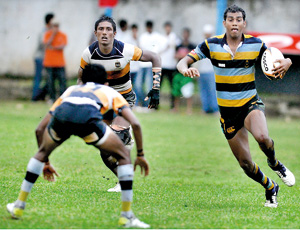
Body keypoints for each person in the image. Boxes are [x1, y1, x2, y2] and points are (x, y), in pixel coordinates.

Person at [177, 4, 295, 207]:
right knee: (246, 164)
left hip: (250, 103)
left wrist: (288, 63)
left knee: (262, 137)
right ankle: (270, 186)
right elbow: (183, 61)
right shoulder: (211, 44)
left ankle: (275, 163)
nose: (234, 23)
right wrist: (184, 69)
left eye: (238, 19)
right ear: (224, 23)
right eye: (230, 19)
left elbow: (278, 59)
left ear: (244, 23)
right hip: (227, 113)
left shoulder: (256, 44)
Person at [7, 64, 150, 228]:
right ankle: (127, 216)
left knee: (41, 153)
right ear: (106, 82)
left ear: (82, 80)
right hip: (88, 119)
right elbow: (136, 124)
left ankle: (19, 206)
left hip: (63, 118)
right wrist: (140, 154)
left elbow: (39, 129)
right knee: (124, 156)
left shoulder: (71, 90)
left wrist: (45, 160)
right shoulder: (109, 91)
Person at [77, 16, 161, 192]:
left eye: (109, 29)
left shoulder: (125, 50)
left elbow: (154, 57)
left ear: (115, 33)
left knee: (116, 135)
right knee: (103, 148)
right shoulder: (89, 54)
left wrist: (156, 87)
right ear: (96, 33)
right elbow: (81, 79)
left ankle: (125, 135)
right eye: (101, 29)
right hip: (103, 103)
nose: (105, 33)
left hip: (124, 100)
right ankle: (122, 180)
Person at [136, 20, 163, 108]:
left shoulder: (157, 36)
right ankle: (144, 103)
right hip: (142, 64)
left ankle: (148, 105)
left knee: (148, 87)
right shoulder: (143, 36)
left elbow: (162, 46)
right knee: (138, 85)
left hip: (151, 65)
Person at [43, 18, 68, 103]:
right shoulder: (47, 34)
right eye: (54, 26)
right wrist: (53, 35)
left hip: (60, 63)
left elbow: (62, 46)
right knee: (50, 83)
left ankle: (63, 98)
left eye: (57, 26)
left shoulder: (63, 35)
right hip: (49, 63)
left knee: (62, 82)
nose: (56, 28)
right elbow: (46, 44)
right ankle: (52, 98)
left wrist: (53, 47)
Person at [172, 27, 196, 114]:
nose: (185, 35)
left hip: (188, 71)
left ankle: (189, 109)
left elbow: (192, 57)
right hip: (178, 71)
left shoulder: (192, 46)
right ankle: (176, 108)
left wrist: (182, 56)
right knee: (176, 90)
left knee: (188, 90)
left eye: (187, 33)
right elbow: (175, 56)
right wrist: (184, 56)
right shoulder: (178, 46)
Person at [32, 13, 54, 101]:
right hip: (40, 57)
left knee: (48, 78)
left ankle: (41, 96)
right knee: (38, 78)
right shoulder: (44, 32)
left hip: (46, 58)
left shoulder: (49, 31)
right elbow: (43, 44)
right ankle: (35, 97)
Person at [197, 24, 218, 114]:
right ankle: (205, 108)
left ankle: (214, 109)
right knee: (203, 91)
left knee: (212, 90)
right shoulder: (200, 45)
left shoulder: (215, 45)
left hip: (211, 71)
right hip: (201, 71)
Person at [160, 22, 179, 110]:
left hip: (171, 65)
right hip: (163, 65)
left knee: (172, 86)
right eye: (166, 27)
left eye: (169, 27)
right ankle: (155, 105)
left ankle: (173, 105)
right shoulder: (161, 38)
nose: (167, 29)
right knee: (158, 86)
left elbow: (176, 46)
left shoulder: (174, 37)